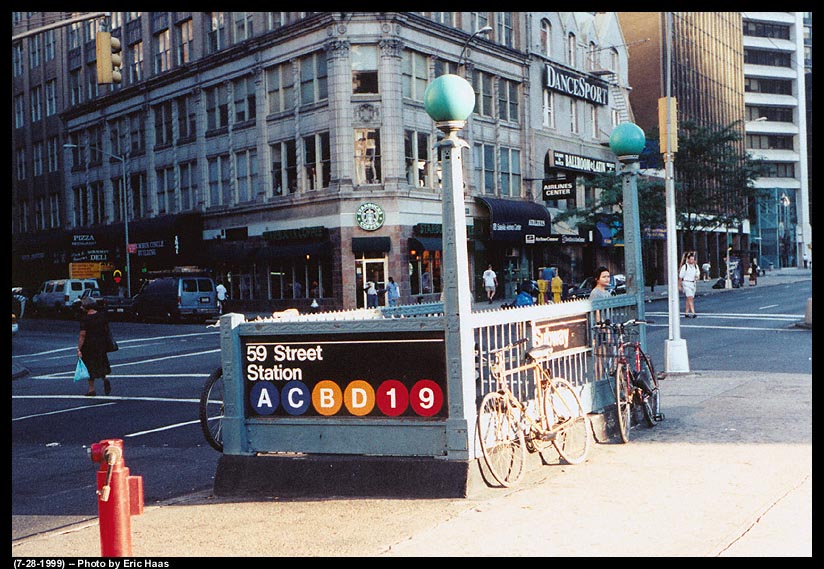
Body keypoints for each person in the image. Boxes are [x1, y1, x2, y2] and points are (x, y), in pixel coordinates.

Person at [77, 296, 112, 397]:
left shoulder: (85, 319)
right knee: (101, 362)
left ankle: (91, 389)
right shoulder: (102, 316)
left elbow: (82, 335)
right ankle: (104, 378)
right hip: (101, 343)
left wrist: (79, 348)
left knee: (90, 366)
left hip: (89, 345)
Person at [678, 251, 700, 318]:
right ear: (688, 259)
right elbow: (680, 277)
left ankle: (686, 313)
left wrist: (697, 277)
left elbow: (698, 274)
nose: (692, 261)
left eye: (693, 259)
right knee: (690, 297)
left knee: (689, 298)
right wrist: (679, 285)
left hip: (693, 283)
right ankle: (693, 313)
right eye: (691, 259)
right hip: (686, 283)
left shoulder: (696, 266)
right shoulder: (685, 267)